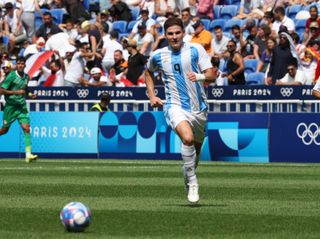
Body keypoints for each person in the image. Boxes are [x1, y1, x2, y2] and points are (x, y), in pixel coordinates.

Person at [145, 18, 215, 204]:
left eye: (177, 33)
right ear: (165, 35)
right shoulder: (159, 55)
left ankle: (188, 171)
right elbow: (148, 72)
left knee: (196, 153)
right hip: (174, 106)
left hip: (199, 109)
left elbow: (212, 75)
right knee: (188, 138)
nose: (174, 37)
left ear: (183, 33)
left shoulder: (196, 49)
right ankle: (192, 182)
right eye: (170, 33)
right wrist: (152, 96)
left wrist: (199, 76)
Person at [0, 57, 38, 163]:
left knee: (26, 128)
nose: (20, 65)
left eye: (22, 63)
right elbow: (1, 90)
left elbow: (25, 89)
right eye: (18, 63)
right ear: (16, 65)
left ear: (25, 65)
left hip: (21, 107)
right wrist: (15, 92)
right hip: (10, 108)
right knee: (4, 131)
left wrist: (30, 94)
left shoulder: (26, 77)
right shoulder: (11, 76)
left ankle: (28, 155)